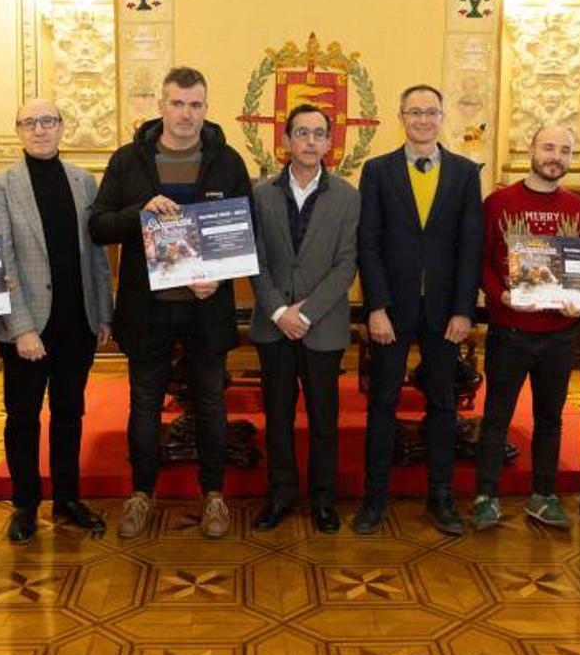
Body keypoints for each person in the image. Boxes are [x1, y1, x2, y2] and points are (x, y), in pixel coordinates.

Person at [90, 67, 253, 539]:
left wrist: (218, 278)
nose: (186, 114)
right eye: (178, 103)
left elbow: (244, 234)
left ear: (206, 107)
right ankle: (141, 494)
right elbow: (99, 225)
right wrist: (137, 214)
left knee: (210, 402)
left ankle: (215, 496)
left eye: (196, 104)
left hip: (206, 305)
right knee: (143, 405)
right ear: (161, 106)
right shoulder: (128, 161)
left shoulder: (227, 161)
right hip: (148, 308)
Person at [0, 99, 114, 544]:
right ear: (17, 130)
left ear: (62, 127)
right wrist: (20, 327)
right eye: (29, 123)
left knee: (69, 413)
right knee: (22, 416)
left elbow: (95, 252)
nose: (40, 130)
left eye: (48, 121)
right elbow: (1, 259)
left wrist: (102, 312)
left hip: (76, 321)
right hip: (27, 328)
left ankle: (67, 498)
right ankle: (24, 504)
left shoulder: (83, 181)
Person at [355, 84, 483, 535]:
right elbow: (367, 244)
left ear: (442, 116)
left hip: (446, 313)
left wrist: (465, 310)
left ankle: (441, 498)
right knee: (383, 403)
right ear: (401, 116)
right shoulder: (378, 171)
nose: (424, 119)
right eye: (415, 112)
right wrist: (376, 308)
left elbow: (471, 246)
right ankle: (374, 500)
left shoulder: (466, 173)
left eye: (431, 112)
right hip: (392, 310)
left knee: (444, 403)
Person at [249, 104, 360, 534]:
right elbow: (254, 257)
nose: (310, 141)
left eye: (318, 133)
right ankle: (279, 496)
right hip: (273, 327)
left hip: (322, 328)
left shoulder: (349, 197)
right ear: (287, 140)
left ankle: (323, 500)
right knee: (277, 418)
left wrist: (307, 313)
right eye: (301, 133)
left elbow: (347, 264)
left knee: (324, 421)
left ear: (330, 142)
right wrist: (279, 311)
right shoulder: (260, 194)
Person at [472, 125, 580, 530]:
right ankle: (486, 496)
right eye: (549, 147)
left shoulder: (578, 209)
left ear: (572, 159)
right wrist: (499, 296)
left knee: (551, 420)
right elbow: (481, 259)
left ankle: (544, 495)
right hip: (510, 332)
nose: (556, 156)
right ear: (531, 149)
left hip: (559, 336)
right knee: (497, 417)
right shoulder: (499, 202)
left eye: (565, 151)